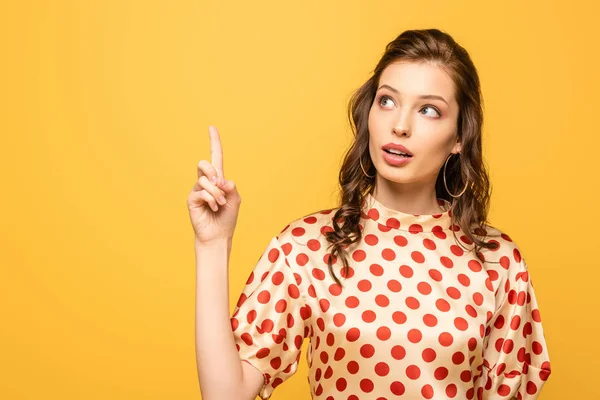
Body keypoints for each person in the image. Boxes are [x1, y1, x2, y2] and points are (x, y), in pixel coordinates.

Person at [189, 28, 552, 400]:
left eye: (429, 110)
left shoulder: (498, 262)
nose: (400, 125)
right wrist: (213, 244)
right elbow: (225, 395)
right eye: (387, 101)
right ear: (369, 113)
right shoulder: (308, 245)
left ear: (459, 137)